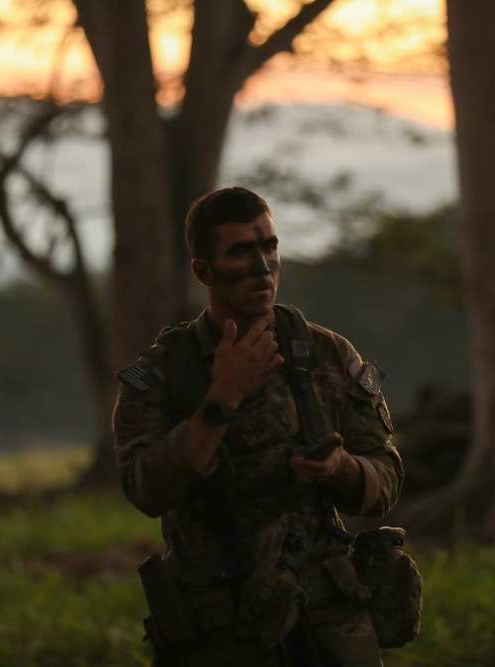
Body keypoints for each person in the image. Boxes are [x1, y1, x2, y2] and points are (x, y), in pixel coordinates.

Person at [112, 186, 403, 666]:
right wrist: (221, 398)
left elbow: (386, 476)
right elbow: (145, 489)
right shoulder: (164, 373)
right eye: (242, 252)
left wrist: (340, 467)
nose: (263, 265)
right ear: (203, 271)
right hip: (220, 631)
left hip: (326, 623)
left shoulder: (327, 354)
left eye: (269, 246)